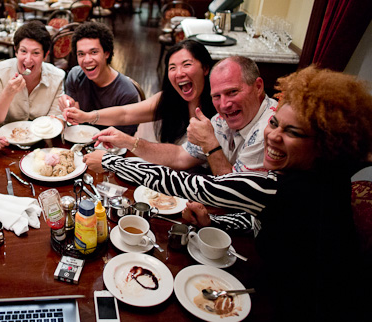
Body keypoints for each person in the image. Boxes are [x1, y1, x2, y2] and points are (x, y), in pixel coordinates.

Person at [92, 66, 372, 320]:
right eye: (275, 124)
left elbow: (194, 187)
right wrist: (214, 223)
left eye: (293, 132)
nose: (273, 136)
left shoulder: (283, 188)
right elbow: (258, 220)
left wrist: (109, 160)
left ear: (325, 143)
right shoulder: (321, 179)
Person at [85, 56, 277, 176]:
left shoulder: (270, 130)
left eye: (233, 92)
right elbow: (179, 156)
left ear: (258, 87)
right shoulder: (220, 120)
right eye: (217, 96)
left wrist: (210, 144)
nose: (225, 104)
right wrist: (127, 141)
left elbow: (233, 193)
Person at [64, 39, 215, 143]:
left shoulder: (220, 108)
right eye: (172, 68)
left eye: (187, 65)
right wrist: (86, 116)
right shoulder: (168, 99)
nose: (179, 73)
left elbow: (181, 157)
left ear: (206, 68)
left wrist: (130, 142)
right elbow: (125, 113)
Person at [58, 22, 140, 136]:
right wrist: (69, 109)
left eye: (94, 52)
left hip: (111, 148)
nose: (87, 60)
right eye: (81, 54)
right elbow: (76, 122)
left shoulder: (126, 92)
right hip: (81, 140)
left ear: (106, 53)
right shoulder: (75, 76)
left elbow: (125, 139)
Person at [0, 21, 65, 132]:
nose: (28, 59)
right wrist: (8, 93)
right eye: (23, 51)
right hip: (4, 139)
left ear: (45, 55)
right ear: (16, 51)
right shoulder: (0, 72)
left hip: (42, 139)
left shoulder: (57, 77)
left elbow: (55, 119)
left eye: (36, 53)